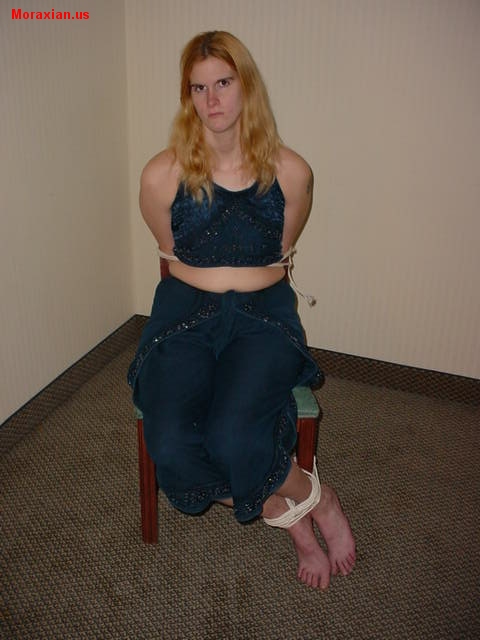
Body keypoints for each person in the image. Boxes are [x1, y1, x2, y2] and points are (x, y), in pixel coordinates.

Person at [128, 30, 355, 590]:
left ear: (246, 85)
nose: (212, 100)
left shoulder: (291, 173)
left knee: (234, 438)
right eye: (198, 87)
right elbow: (169, 248)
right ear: (187, 96)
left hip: (262, 313)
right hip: (184, 310)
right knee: (171, 441)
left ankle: (314, 504)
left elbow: (283, 246)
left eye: (223, 82)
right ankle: (294, 503)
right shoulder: (161, 176)